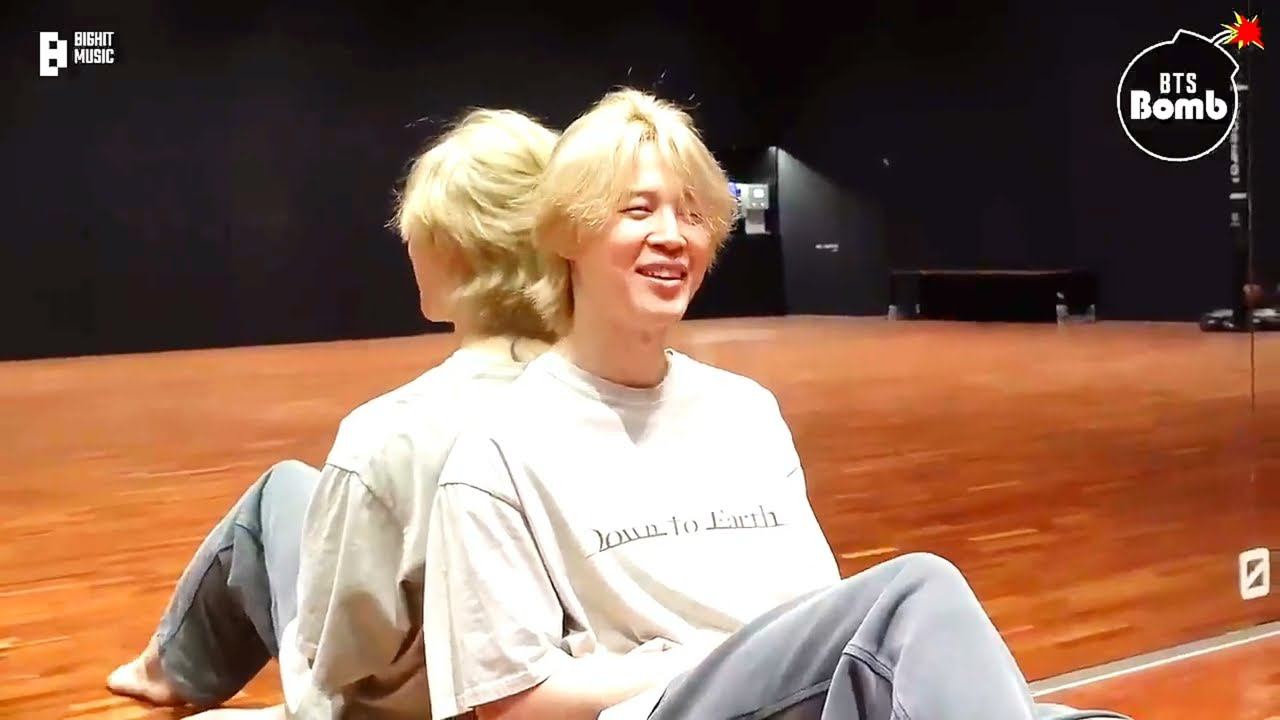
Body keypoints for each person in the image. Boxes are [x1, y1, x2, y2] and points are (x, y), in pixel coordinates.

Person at [421, 89, 1132, 720]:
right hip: (670, 706)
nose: (673, 235)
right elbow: (513, 704)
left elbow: (817, 618)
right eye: (638, 210)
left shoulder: (746, 412)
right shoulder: (497, 453)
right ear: (568, 234)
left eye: (693, 214)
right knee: (917, 590)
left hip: (796, 699)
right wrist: (703, 662)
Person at [105, 107, 561, 718]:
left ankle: (168, 668)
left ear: (451, 251)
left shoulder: (390, 435)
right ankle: (169, 664)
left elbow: (341, 658)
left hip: (400, 710)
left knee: (276, 499)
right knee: (290, 488)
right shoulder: (621, 400)